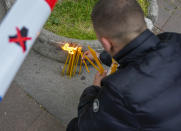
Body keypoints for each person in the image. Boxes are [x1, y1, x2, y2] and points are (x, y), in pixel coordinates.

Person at [67, 0, 181, 130]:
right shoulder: (174, 40)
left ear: (106, 43)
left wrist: (94, 89)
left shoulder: (119, 93)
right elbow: (138, 52)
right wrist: (100, 57)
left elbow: (87, 125)